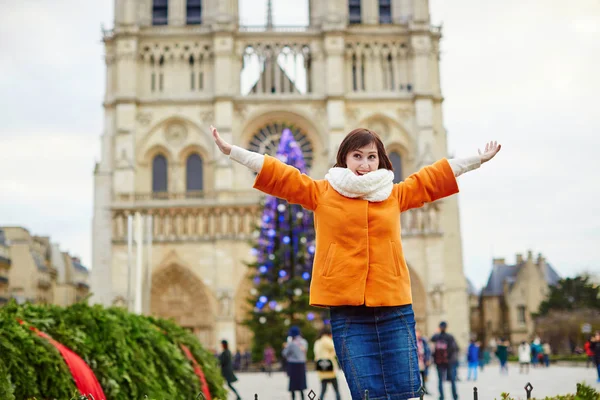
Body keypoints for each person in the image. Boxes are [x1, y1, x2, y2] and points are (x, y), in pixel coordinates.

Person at [212, 125, 501, 399]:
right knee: (366, 392)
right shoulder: (322, 193)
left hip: (394, 307)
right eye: (358, 156)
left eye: (371, 157)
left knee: (407, 390)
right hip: (348, 311)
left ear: (380, 160)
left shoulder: (394, 194)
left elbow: (431, 178)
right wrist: (232, 152)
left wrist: (477, 159)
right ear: (345, 159)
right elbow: (282, 175)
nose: (365, 163)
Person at [431, 322, 459, 400]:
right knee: (452, 380)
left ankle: (441, 397)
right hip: (450, 361)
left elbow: (431, 340)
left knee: (440, 380)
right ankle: (455, 397)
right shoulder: (450, 337)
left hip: (439, 362)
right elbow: (455, 348)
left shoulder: (436, 337)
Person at [314, 326, 342, 400]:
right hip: (328, 365)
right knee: (336, 388)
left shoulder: (317, 341)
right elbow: (335, 348)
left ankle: (321, 398)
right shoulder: (326, 340)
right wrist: (331, 354)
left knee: (323, 388)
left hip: (320, 366)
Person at [282, 326, 308, 400]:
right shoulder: (304, 342)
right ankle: (303, 397)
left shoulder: (291, 343)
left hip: (293, 365)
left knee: (293, 384)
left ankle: (293, 398)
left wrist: (286, 346)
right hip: (302, 364)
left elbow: (284, 353)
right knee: (301, 383)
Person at [416, 329, 431, 394]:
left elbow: (427, 350)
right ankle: (417, 390)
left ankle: (424, 389)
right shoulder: (412, 341)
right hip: (416, 361)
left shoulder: (423, 341)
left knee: (424, 375)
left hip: (422, 361)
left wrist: (427, 359)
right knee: (416, 377)